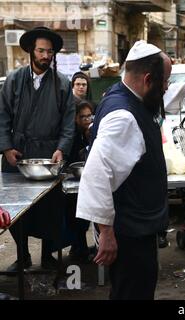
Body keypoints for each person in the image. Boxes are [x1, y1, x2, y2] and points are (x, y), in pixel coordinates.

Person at [76, 40, 185, 300]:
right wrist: (105, 234)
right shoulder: (123, 118)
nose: (166, 88)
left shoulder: (125, 93)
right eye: (165, 82)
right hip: (129, 233)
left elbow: (153, 101)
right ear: (148, 79)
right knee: (133, 293)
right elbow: (95, 175)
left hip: (137, 226)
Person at [0, 26, 75, 271]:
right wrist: (7, 148)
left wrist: (62, 149)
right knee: (15, 209)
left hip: (48, 154)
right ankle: (22, 256)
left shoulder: (62, 84)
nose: (45, 56)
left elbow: (67, 122)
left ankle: (47, 256)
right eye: (41, 51)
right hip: (17, 154)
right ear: (31, 51)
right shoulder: (14, 79)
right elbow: (2, 116)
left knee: (49, 209)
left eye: (49, 52)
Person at [66, 100, 94, 262]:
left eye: (89, 116)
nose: (87, 120)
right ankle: (79, 248)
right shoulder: (72, 135)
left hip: (88, 180)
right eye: (83, 117)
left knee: (86, 218)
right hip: (73, 181)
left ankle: (80, 247)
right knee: (76, 217)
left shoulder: (93, 132)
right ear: (76, 118)